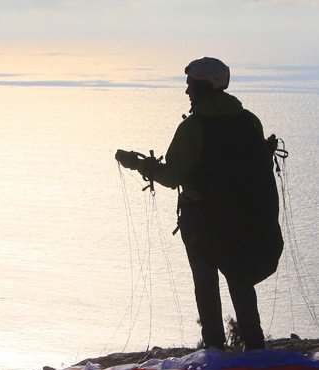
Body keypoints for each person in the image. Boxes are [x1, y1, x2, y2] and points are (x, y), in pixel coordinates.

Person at [116, 57, 282, 351]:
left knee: (206, 285)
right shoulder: (249, 120)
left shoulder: (193, 128)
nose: (187, 91)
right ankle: (255, 348)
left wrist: (140, 165)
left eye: (190, 84)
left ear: (202, 85)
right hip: (243, 220)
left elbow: (172, 177)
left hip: (203, 222)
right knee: (240, 281)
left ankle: (215, 351)